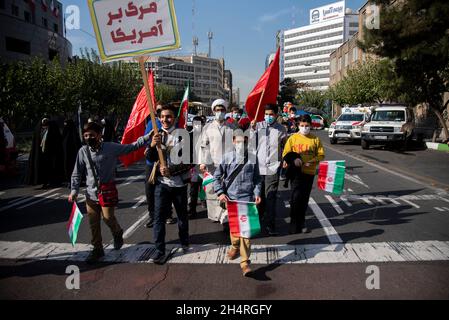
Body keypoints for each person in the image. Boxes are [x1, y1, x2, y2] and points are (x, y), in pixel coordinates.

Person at [69, 122, 151, 264]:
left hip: (107, 192)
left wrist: (147, 136)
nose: (89, 138)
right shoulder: (82, 151)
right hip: (90, 194)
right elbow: (76, 173)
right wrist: (74, 190)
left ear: (99, 135)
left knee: (108, 218)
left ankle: (117, 232)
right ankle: (97, 249)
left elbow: (131, 147)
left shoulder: (110, 147)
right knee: (93, 223)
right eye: (86, 135)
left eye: (92, 135)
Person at [147, 105, 191, 264]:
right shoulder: (155, 134)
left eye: (169, 116)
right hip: (161, 185)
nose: (165, 119)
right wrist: (152, 145)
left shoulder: (184, 136)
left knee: (182, 217)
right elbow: (150, 158)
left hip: (179, 185)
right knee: (159, 218)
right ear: (159, 119)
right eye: (163, 117)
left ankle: (184, 241)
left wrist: (171, 170)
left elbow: (189, 162)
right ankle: (159, 251)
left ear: (175, 118)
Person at [214, 132, 262, 276]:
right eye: (238, 142)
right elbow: (217, 177)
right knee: (235, 230)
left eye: (244, 142)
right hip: (231, 199)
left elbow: (258, 179)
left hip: (247, 199)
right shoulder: (227, 157)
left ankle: (245, 262)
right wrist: (220, 192)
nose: (241, 145)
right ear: (233, 142)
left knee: (246, 232)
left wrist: (258, 193)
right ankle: (235, 246)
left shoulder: (253, 158)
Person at [282, 114, 325, 234]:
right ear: (298, 126)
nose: (304, 128)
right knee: (295, 198)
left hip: (309, 173)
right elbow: (286, 153)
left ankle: (302, 222)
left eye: (307, 126)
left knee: (304, 199)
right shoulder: (293, 138)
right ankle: (293, 223)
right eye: (302, 125)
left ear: (311, 125)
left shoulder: (315, 139)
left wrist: (310, 161)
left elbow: (321, 155)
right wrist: (290, 160)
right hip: (295, 173)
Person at [250, 104, 287, 236]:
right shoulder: (258, 126)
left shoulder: (282, 129)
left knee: (270, 196)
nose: (268, 117)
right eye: (266, 114)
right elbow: (250, 143)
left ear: (276, 115)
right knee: (259, 197)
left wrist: (284, 160)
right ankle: (258, 221)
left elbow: (284, 147)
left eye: (271, 114)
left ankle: (271, 225)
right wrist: (252, 128)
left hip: (273, 168)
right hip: (258, 168)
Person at [200, 99, 235, 225]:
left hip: (229, 164)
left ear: (225, 111)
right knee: (212, 190)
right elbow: (203, 146)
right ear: (213, 111)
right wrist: (203, 162)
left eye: (222, 110)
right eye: (217, 110)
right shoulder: (208, 127)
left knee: (226, 189)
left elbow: (238, 144)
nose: (220, 112)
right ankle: (215, 215)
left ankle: (226, 215)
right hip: (212, 164)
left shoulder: (232, 127)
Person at [26, 118, 64, 188]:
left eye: (46, 124)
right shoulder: (39, 130)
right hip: (41, 154)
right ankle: (44, 182)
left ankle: (51, 181)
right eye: (44, 124)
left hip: (50, 154)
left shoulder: (52, 129)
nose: (45, 126)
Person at [62, 119, 82, 184]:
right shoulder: (74, 134)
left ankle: (71, 181)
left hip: (69, 156)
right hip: (72, 156)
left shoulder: (68, 135)